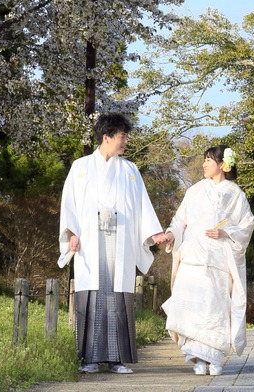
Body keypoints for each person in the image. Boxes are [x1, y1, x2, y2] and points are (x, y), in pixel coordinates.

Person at [58, 113, 167, 374]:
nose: (126, 141)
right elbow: (70, 205)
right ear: (107, 137)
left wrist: (153, 234)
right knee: (93, 295)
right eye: (122, 136)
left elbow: (142, 206)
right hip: (90, 240)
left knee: (117, 296)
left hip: (120, 240)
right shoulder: (81, 167)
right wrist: (72, 233)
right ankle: (90, 359)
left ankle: (117, 359)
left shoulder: (130, 170)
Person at [155, 145, 254, 376]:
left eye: (209, 160)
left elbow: (247, 224)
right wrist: (171, 234)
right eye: (204, 160)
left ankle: (215, 358)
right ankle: (197, 358)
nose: (204, 164)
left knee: (214, 310)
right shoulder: (195, 191)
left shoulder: (235, 194)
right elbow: (180, 220)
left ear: (222, 164)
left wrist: (226, 232)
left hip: (218, 262)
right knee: (191, 310)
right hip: (192, 260)